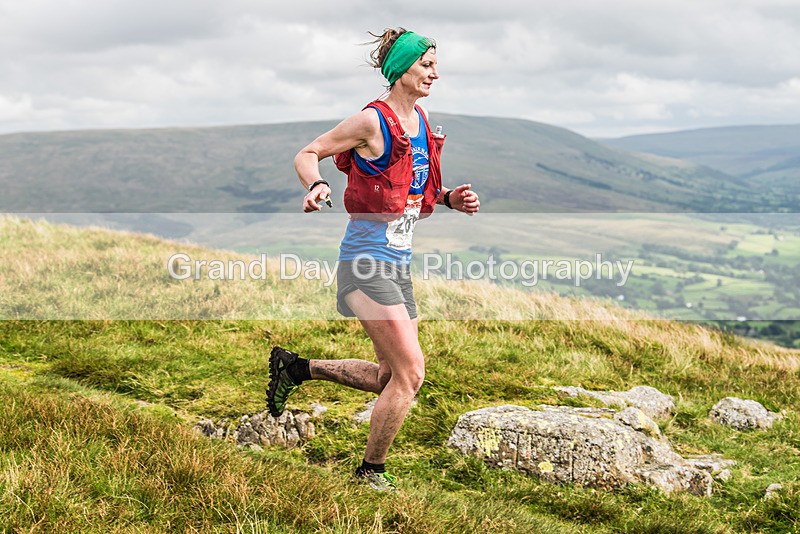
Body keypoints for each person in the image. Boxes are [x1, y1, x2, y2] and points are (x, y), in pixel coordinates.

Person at [267, 27, 480, 492]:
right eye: (426, 65)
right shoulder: (371, 121)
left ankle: (295, 368)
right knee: (411, 374)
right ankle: (370, 474)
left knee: (388, 375)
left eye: (435, 65)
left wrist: (446, 198)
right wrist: (316, 185)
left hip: (397, 263)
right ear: (401, 69)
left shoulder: (421, 121)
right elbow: (309, 152)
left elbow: (411, 189)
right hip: (365, 261)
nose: (435, 73)